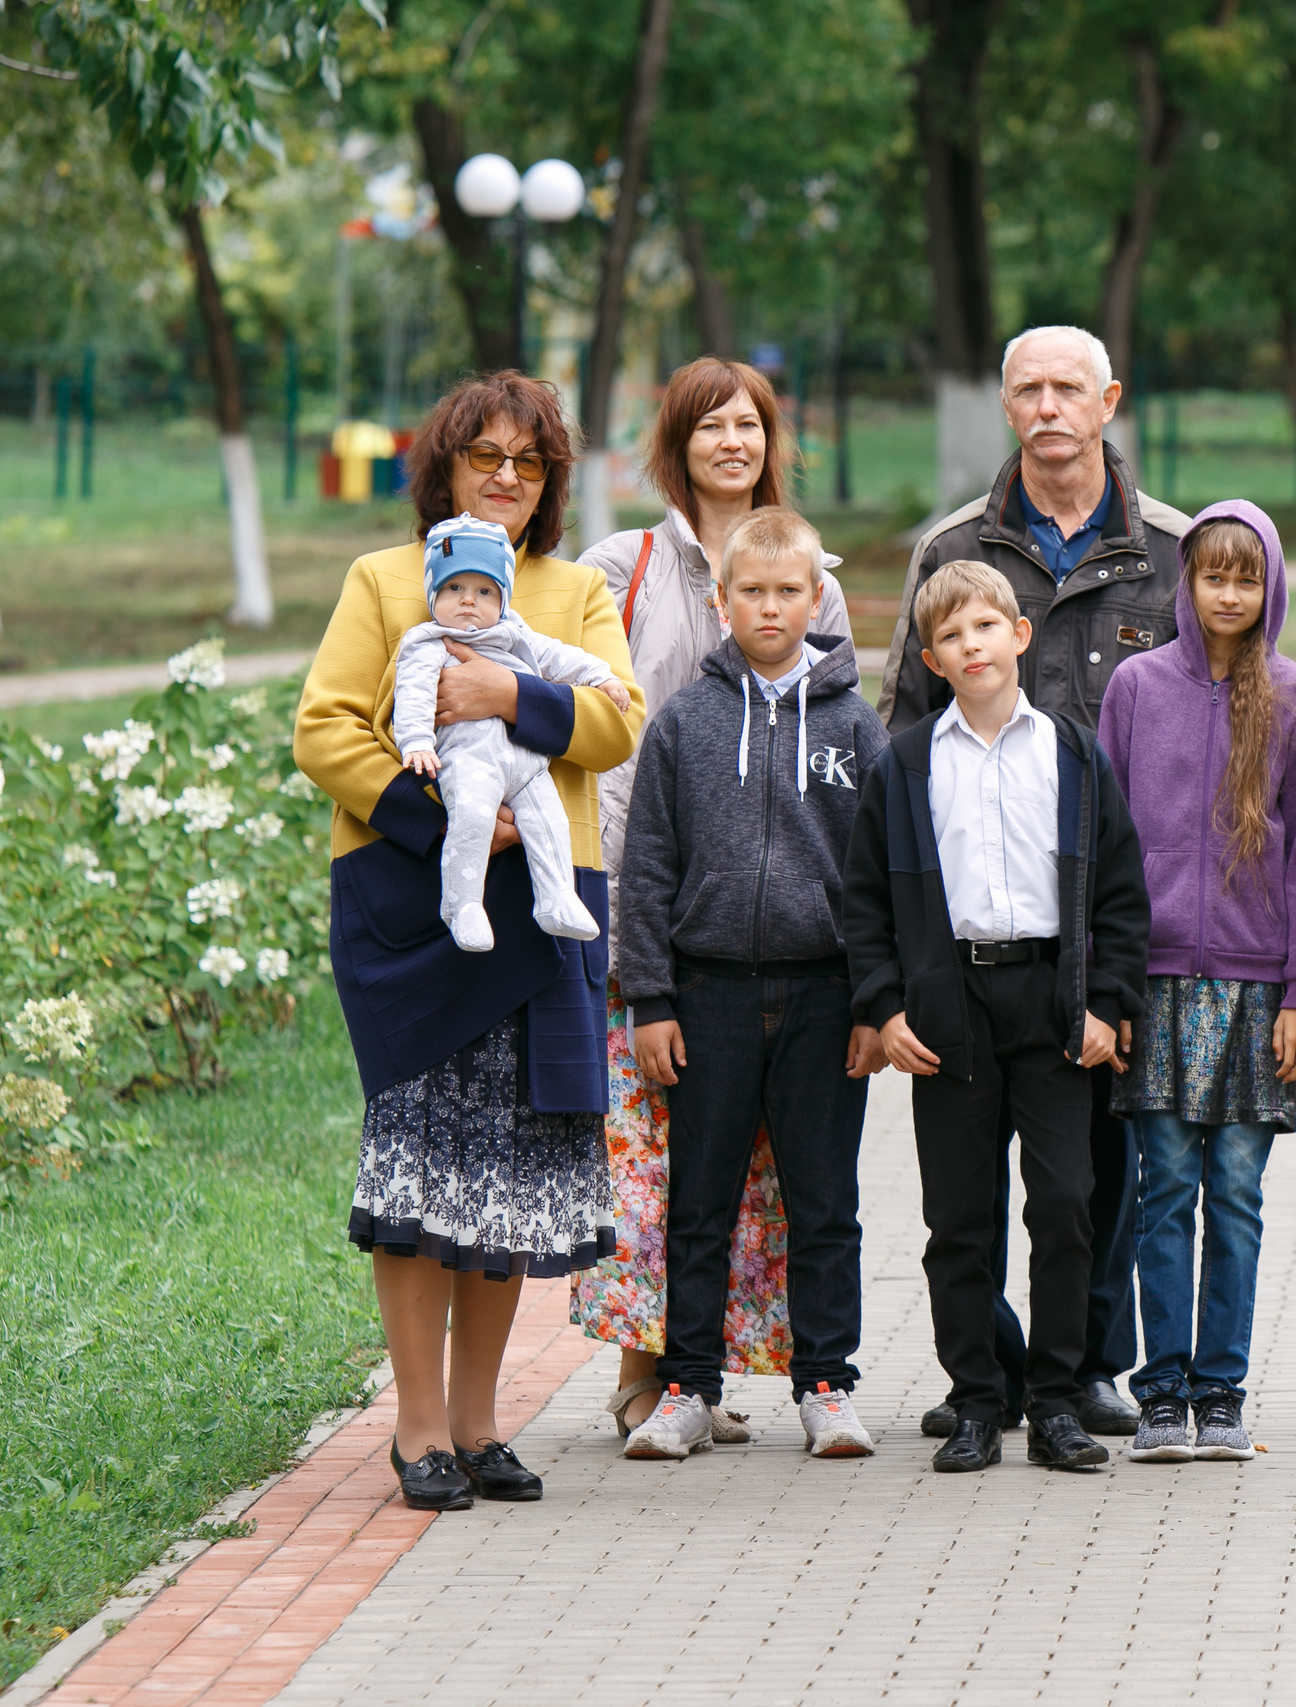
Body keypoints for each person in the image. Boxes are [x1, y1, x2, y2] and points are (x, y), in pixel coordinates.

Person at [295, 371, 640, 1511]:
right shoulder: (382, 580)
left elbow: (615, 718)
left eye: (527, 462)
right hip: (407, 904)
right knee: (418, 1175)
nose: (504, 475)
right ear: (441, 465)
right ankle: (418, 1429)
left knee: (508, 1178)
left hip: (543, 907)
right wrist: (444, 814)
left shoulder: (574, 589)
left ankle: (484, 1425)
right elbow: (326, 730)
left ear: (548, 484)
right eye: (483, 455)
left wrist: (503, 693)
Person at [879, 325, 1191, 1441]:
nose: (1049, 407)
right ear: (1008, 406)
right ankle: (992, 1378)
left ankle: (1086, 1372)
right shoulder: (955, 545)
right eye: (1028, 390)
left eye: (1069, 388)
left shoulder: (1169, 548)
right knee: (962, 1204)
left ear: (1108, 399)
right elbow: (899, 740)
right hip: (967, 934)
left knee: (1089, 1181)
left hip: (1104, 917)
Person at [573, 358, 850, 1440]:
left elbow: (837, 730)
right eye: (709, 425)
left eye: (748, 424)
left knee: (766, 1176)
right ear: (676, 441)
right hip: (647, 898)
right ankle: (653, 1374)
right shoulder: (623, 565)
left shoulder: (806, 564)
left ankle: (708, 1370)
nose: (730, 441)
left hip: (779, 925)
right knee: (653, 1161)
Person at [844, 560, 1150, 1474]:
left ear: (1020, 635)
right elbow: (864, 902)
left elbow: (1121, 889)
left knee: (1064, 1205)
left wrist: (1105, 1002)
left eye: (987, 627)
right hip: (950, 1011)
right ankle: (980, 1398)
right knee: (959, 1220)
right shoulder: (904, 765)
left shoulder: (1071, 753)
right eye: (951, 636)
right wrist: (886, 1006)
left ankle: (1056, 1401)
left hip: (1053, 1004)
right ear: (931, 659)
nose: (971, 645)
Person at [610, 506, 892, 1461]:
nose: (770, 608)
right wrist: (651, 998)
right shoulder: (684, 723)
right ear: (720, 600)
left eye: (788, 591)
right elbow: (646, 867)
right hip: (709, 994)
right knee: (702, 1198)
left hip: (826, 998)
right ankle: (687, 1385)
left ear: (819, 599)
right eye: (750, 592)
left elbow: (883, 874)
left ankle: (827, 1385)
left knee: (824, 1198)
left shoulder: (856, 724)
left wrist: (874, 1003)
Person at [1098, 500, 1296, 1464]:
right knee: (1163, 1190)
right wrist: (1106, 989)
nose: (1228, 593)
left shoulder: (1292, 696)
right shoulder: (1135, 687)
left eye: (1247, 576)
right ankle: (1160, 1393)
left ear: (1269, 584)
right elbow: (1106, 849)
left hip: (1253, 992)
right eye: (1212, 576)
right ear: (1186, 582)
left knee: (1234, 1193)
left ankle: (1222, 1390)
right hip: (1152, 986)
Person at [394, 512, 632, 952]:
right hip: (469, 758)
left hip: (525, 761)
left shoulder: (515, 634)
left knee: (549, 820)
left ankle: (557, 895)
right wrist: (417, 741)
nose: (469, 601)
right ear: (433, 594)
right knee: (471, 818)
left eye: (484, 591)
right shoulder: (428, 643)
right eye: (454, 588)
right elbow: (412, 694)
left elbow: (563, 657)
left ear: (502, 599)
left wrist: (602, 677)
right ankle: (463, 904)